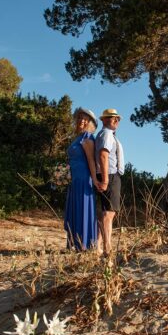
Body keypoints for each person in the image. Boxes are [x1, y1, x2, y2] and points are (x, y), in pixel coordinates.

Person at [64, 107, 100, 250]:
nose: (81, 121)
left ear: (90, 122)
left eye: (85, 119)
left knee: (82, 209)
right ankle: (73, 243)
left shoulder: (87, 137)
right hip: (74, 179)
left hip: (83, 179)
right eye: (79, 118)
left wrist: (95, 179)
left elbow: (91, 161)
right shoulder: (77, 138)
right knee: (74, 210)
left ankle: (84, 244)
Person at [94, 108, 124, 257]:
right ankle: (108, 249)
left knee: (106, 212)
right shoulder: (106, 134)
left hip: (108, 175)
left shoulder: (106, 134)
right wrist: (105, 180)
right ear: (104, 120)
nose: (116, 120)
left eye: (117, 118)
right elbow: (103, 156)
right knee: (109, 213)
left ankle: (98, 246)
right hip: (110, 175)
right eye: (113, 117)